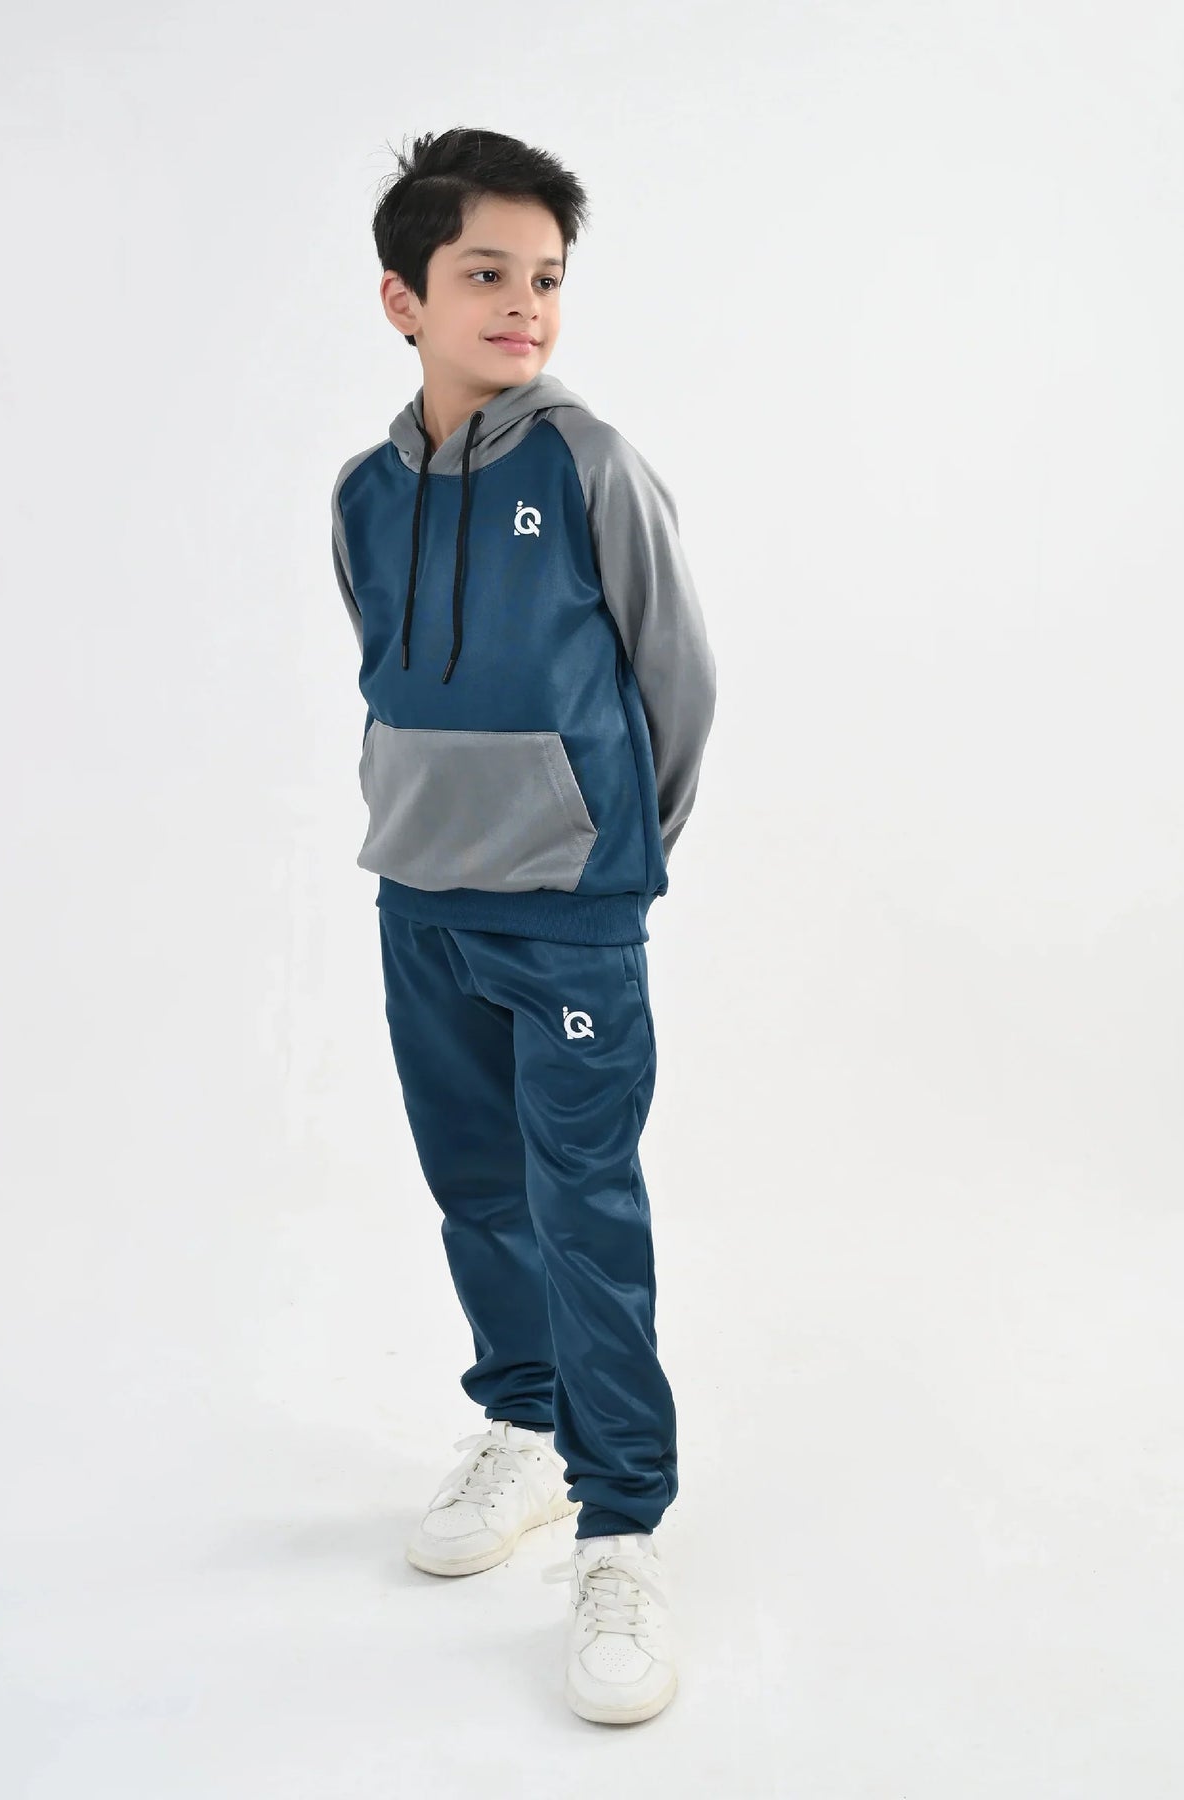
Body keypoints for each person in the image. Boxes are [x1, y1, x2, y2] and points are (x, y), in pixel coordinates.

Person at [330, 125, 717, 1725]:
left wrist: (608, 855)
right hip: (419, 897)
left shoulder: (589, 464)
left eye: (544, 278)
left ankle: (620, 1522)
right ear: (402, 298)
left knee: (583, 1207)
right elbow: (386, 673)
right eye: (484, 273)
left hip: (570, 914)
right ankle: (526, 1427)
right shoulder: (363, 495)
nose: (522, 305)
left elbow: (676, 679)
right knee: (477, 1190)